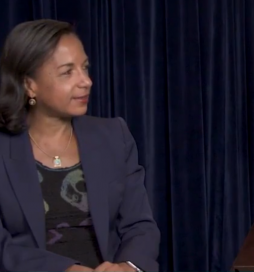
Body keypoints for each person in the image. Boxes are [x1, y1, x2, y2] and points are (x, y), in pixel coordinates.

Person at [0, 19, 160, 271]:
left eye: (85, 68)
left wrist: (128, 266)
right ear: (29, 84)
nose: (86, 81)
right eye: (67, 72)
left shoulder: (113, 136)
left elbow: (139, 225)